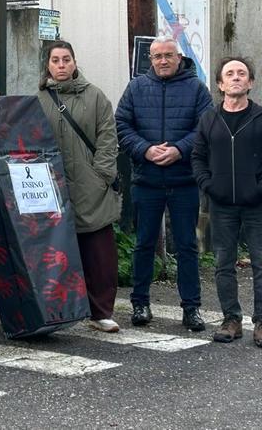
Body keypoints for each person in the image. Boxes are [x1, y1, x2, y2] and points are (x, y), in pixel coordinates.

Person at [114, 35, 213, 331]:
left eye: (168, 55)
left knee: (187, 246)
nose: (163, 61)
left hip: (184, 180)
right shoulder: (136, 88)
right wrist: (144, 148)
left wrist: (179, 149)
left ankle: (191, 308)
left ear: (179, 58)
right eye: (157, 56)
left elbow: (205, 126)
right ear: (151, 60)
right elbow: (121, 124)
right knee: (143, 244)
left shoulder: (196, 88)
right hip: (146, 179)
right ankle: (140, 303)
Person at [191, 57, 262, 349]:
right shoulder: (209, 119)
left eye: (241, 73)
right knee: (223, 264)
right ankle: (231, 320)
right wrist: (209, 186)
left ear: (250, 83)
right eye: (229, 74)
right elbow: (197, 157)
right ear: (220, 84)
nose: (236, 78)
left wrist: (261, 188)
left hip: (256, 205)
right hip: (221, 206)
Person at [37, 41, 122, 333]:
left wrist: (102, 175)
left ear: (75, 63)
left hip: (90, 184)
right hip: (50, 184)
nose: (61, 65)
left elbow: (108, 139)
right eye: (55, 60)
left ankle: (101, 312)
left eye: (66, 59)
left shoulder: (95, 97)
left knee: (98, 251)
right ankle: (60, 310)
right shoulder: (38, 98)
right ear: (47, 65)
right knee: (56, 250)